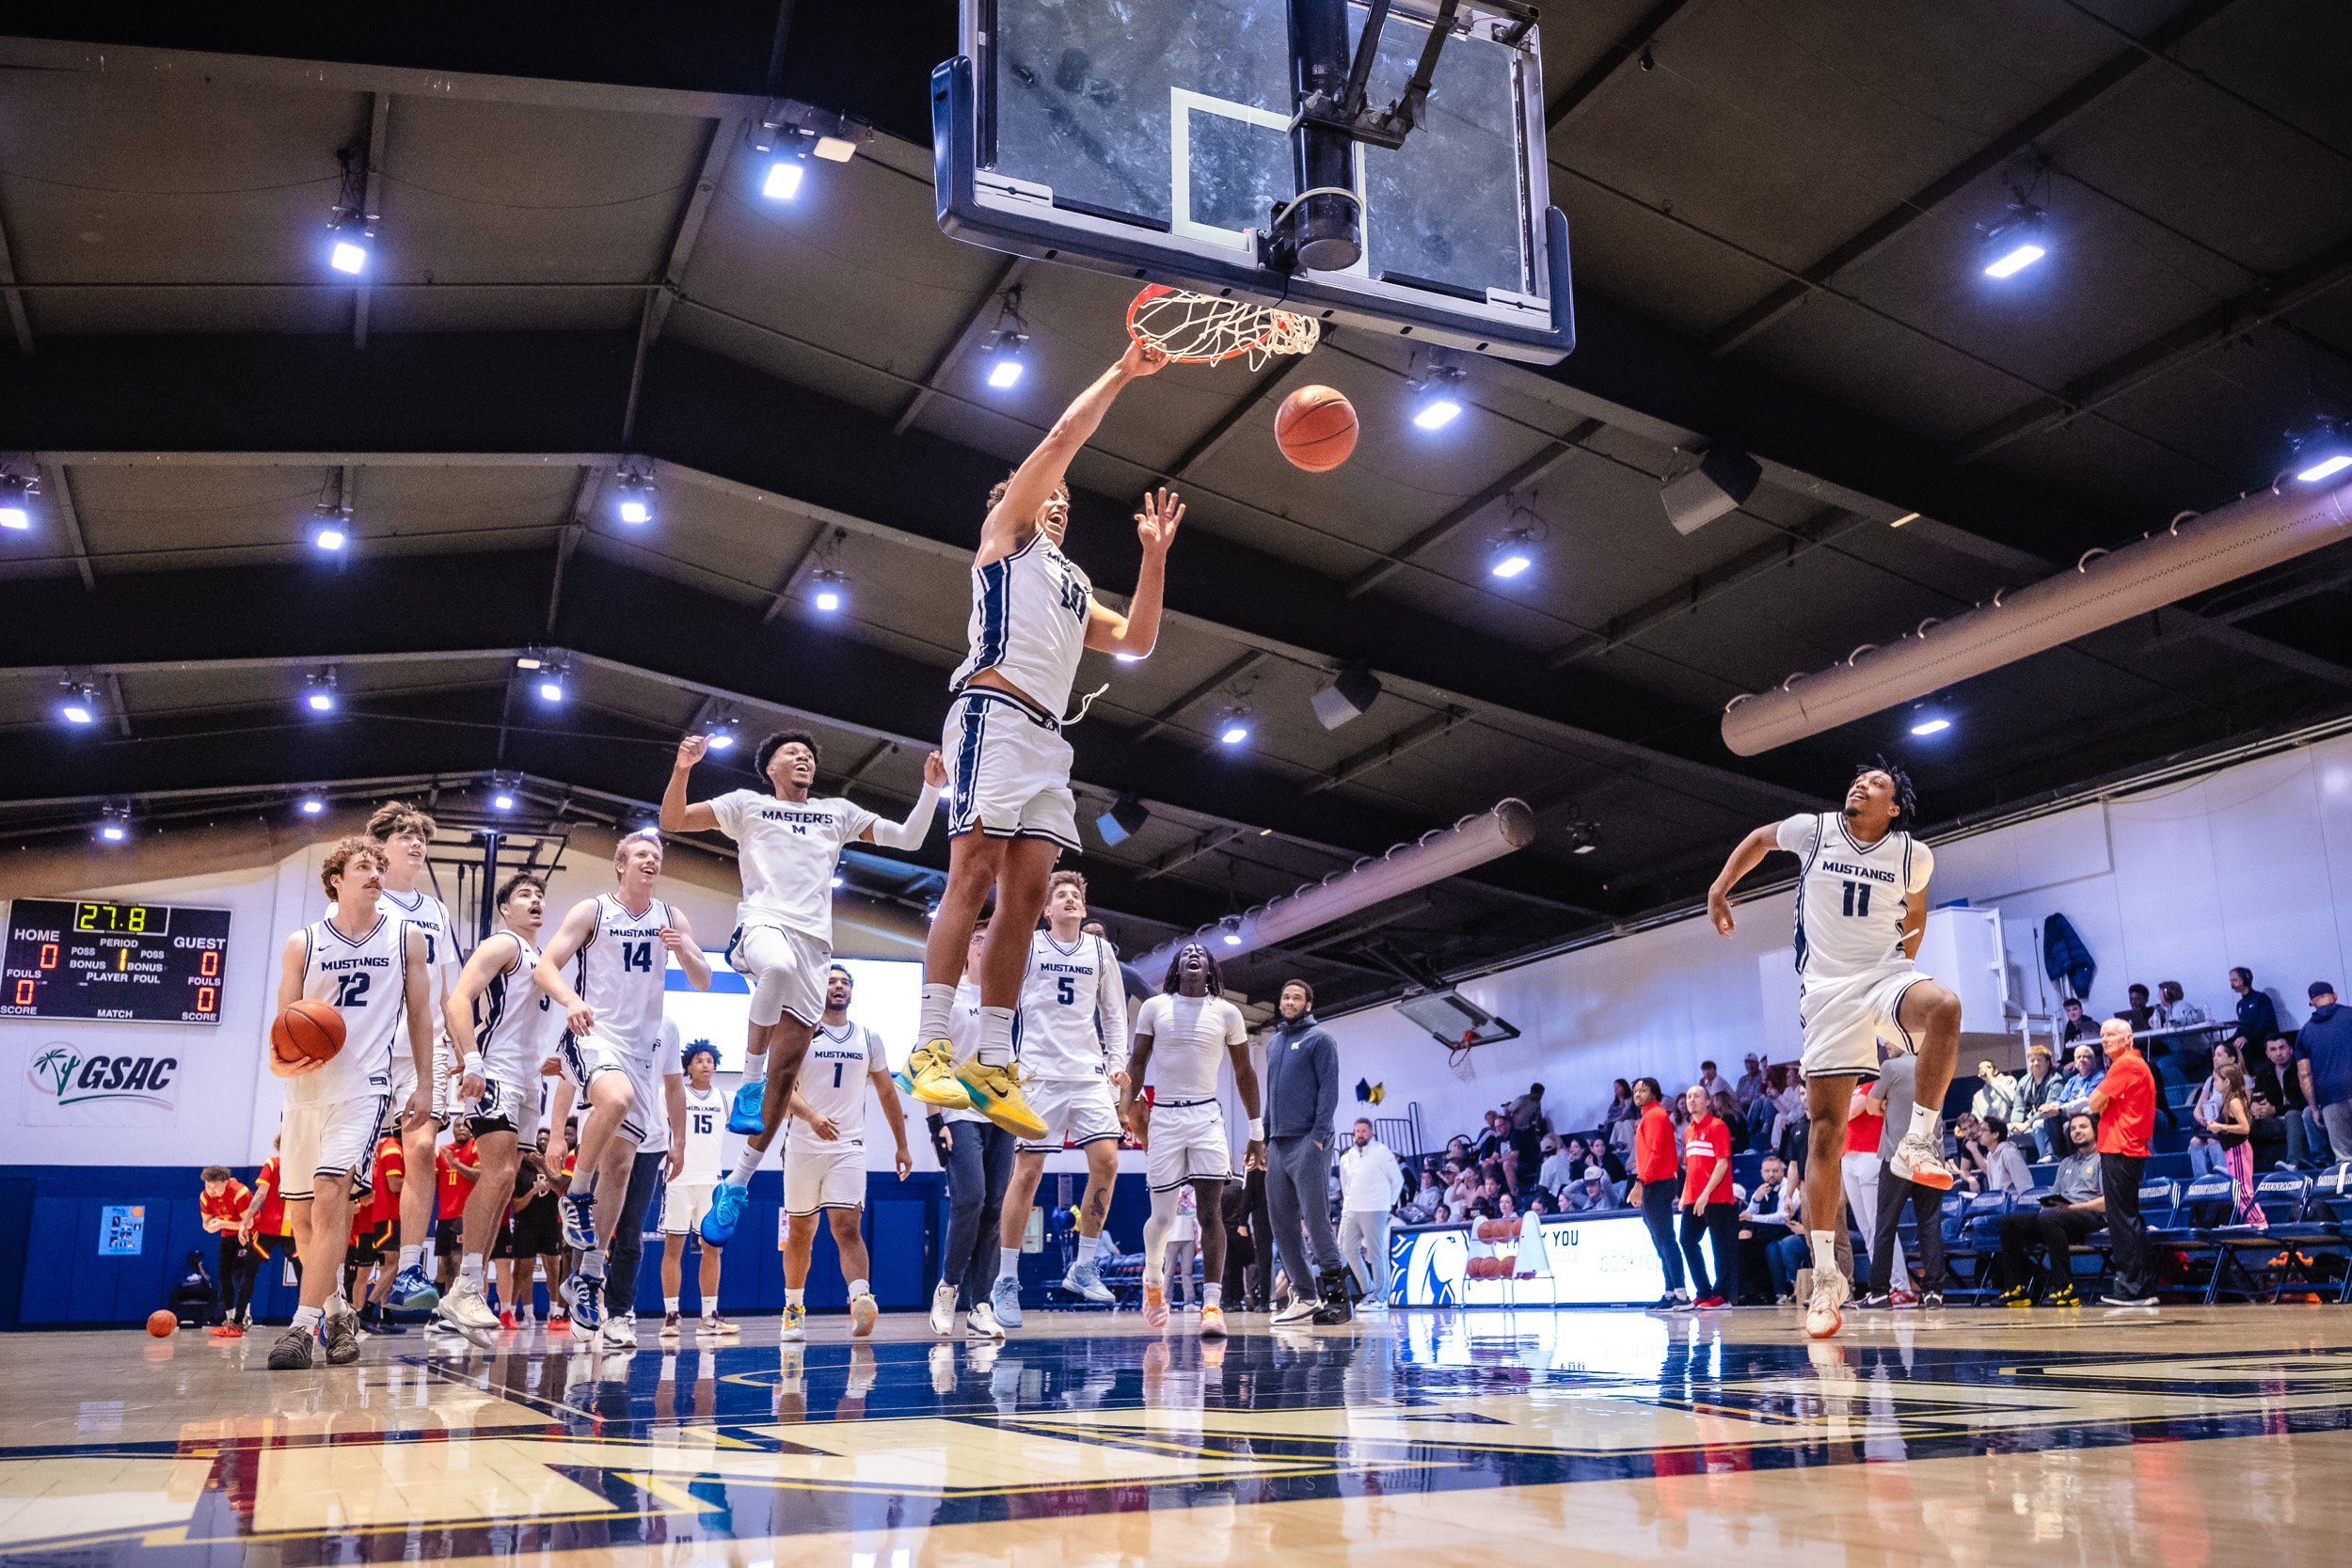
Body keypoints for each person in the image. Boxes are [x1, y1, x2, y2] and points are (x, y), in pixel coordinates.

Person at [899, 339, 1178, 1147]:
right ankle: (930, 1049)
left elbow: (1137, 642)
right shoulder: (1007, 535)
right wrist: (1123, 370)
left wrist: (1153, 558)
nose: (1059, 503)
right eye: (1049, 493)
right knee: (973, 870)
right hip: (991, 712)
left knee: (1023, 897)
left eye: (1065, 502)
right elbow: (1061, 437)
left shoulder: (1074, 582)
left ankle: (993, 1064)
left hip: (1047, 742)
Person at [1707, 758, 1961, 1338]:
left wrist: (1902, 976)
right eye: (1857, 778)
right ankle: (1827, 1281)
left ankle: (1919, 1142)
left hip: (1885, 974)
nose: (1859, 784)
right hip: (1826, 992)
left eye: (1875, 783)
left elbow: (1916, 914)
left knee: (1944, 1005)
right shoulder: (1814, 829)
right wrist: (1720, 889)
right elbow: (1758, 840)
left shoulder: (1913, 854)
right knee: (1826, 1133)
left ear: (1893, 807)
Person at [662, 732, 940, 1236]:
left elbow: (908, 839)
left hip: (816, 947)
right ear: (770, 768)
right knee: (777, 967)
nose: (803, 758)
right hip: (763, 925)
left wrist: (930, 789)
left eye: (809, 754)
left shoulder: (837, 812)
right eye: (792, 753)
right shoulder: (745, 805)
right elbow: (673, 821)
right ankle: (749, 1082)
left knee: (787, 1071)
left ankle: (737, 1184)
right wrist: (683, 768)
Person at [265, 836, 435, 1370]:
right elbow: (283, 1029)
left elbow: (421, 1015)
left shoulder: (406, 937)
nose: (376, 873)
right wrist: (280, 1062)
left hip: (365, 1087)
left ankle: (301, 1327)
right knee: (303, 1215)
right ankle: (338, 1310)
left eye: (380, 866)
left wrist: (426, 1084)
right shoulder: (303, 942)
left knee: (330, 1191)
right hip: (305, 1092)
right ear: (336, 879)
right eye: (364, 865)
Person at [535, 830, 711, 1342]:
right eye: (640, 854)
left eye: (657, 855)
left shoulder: (671, 917)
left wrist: (685, 951)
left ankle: (588, 1277)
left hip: (639, 1049)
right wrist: (570, 1001)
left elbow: (702, 979)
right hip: (593, 1032)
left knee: (620, 1167)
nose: (651, 860)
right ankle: (576, 1194)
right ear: (621, 865)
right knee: (616, 1098)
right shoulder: (593, 910)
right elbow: (546, 966)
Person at [981, 870, 1130, 1326]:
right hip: (1038, 1072)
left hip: (1087, 1073)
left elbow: (1114, 1012)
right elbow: (1002, 1001)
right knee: (1027, 1172)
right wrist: (1001, 1059)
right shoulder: (1029, 945)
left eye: (1075, 896)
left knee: (1108, 1161)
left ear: (1083, 909)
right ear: (1046, 909)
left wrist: (1117, 1064)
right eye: (1060, 895)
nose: (1069, 899)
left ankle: (1083, 1266)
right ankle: (1006, 1279)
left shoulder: (1100, 951)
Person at [354, 801, 465, 1321]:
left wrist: (466, 1050)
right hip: (368, 1046)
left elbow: (449, 988)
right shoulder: (362, 900)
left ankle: (411, 1270)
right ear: (380, 846)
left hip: (425, 1046)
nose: (416, 842)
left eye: (421, 836)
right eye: (404, 834)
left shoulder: (436, 911)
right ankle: (331, 1295)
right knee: (348, 1173)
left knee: (421, 1149)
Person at [1120, 942, 1262, 1338]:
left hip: (1206, 1117)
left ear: (1210, 967)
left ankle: (1212, 1307)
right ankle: (1153, 1280)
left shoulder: (1227, 1012)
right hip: (1164, 1116)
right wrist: (1123, 1110)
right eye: (1185, 953)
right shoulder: (1155, 1007)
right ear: (1177, 967)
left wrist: (1256, 1132)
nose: (1193, 955)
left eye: (1200, 952)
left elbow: (1244, 1072)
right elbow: (1137, 1061)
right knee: (1163, 1218)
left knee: (1209, 1215)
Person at [431, 871, 548, 1339]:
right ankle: (465, 1286)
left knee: (506, 1182)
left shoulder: (542, 956)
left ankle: (459, 1300)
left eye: (540, 895)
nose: (536, 901)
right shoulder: (503, 944)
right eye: (525, 895)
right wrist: (472, 1058)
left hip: (529, 1077)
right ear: (505, 909)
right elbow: (459, 999)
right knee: (497, 1173)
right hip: (496, 1069)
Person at [776, 966, 914, 1341]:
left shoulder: (869, 1039)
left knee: (847, 1226)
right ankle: (793, 1309)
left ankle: (860, 1300)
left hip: (848, 1146)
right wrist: (812, 1116)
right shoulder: (800, 1033)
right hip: (802, 1145)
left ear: (852, 991)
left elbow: (887, 1093)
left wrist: (902, 1144)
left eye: (845, 982)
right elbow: (780, 1089)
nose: (838, 986)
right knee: (801, 1233)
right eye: (831, 981)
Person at [930, 929, 1013, 1338]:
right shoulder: (951, 998)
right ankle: (948, 1287)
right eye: (978, 938)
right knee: (971, 1200)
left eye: (991, 938)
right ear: (965, 949)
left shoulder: (1009, 997)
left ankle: (981, 1304)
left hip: (1003, 1114)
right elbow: (931, 1061)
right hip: (959, 1111)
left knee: (995, 1208)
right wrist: (935, 1123)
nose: (985, 944)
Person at [1262, 979, 1347, 1326]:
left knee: (1316, 1220)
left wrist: (1319, 1136)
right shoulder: (1273, 1043)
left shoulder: (1320, 1040)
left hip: (1308, 1142)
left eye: (1297, 997)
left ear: (1308, 1005)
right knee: (1281, 1224)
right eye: (1285, 996)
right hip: (1277, 1144)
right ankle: (1306, 1296)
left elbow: (1329, 1091)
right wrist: (1263, 1138)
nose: (1289, 1001)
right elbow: (1271, 1095)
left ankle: (1339, 1301)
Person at [659, 1040, 734, 1338]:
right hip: (678, 1178)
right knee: (673, 1247)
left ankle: (709, 1316)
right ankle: (671, 1315)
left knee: (712, 1248)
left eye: (710, 1060)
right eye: (699, 1060)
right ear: (688, 1066)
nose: (705, 1064)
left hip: (711, 1181)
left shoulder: (725, 1098)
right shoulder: (672, 1094)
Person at [1993, 1113, 2105, 1306]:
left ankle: (2065, 1288)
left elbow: (2106, 1202)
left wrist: (2071, 1208)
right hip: (2061, 1217)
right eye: (2073, 1128)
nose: (2077, 1131)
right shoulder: (2066, 1162)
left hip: (2091, 1215)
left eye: (2083, 1127)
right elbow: (2055, 1194)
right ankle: (2017, 1288)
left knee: (2051, 1219)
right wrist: (2048, 1205)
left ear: (2095, 1131)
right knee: (2009, 1222)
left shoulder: (2103, 1159)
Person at [1863, 1047, 1946, 1307]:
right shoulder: (1937, 1065)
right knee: (1930, 1224)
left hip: (1898, 1157)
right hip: (1931, 1156)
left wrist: (1888, 1106)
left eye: (1890, 1037)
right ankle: (1934, 1292)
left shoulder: (1890, 1067)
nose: (1886, 1044)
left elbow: (1870, 1107)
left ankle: (1879, 1292)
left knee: (1885, 1226)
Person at [2088, 1018, 2158, 1307]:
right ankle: (2138, 1286)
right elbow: (2099, 1102)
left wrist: (2102, 1101)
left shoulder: (2126, 1064)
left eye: (2112, 1035)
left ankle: (2134, 1288)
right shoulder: (2131, 1065)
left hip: (2121, 1147)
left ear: (2128, 1038)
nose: (2105, 1039)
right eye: (2103, 1035)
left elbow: (2094, 1102)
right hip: (2126, 1148)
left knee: (2122, 1220)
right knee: (2126, 1217)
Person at [1676, 1085, 1736, 1308]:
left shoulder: (1717, 1126)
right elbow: (1690, 1167)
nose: (1691, 1100)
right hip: (1693, 1198)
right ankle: (1704, 1291)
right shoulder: (1688, 1131)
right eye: (1689, 1096)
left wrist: (1705, 1193)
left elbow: (1722, 1163)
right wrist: (1685, 1194)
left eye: (1697, 1096)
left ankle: (1722, 1295)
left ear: (1708, 1101)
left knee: (1719, 1245)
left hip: (1717, 1197)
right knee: (1687, 1240)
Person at [1630, 1077, 1686, 1310]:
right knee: (1660, 1241)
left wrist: (1640, 1181)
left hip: (1657, 1181)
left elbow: (1655, 1152)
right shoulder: (1649, 1116)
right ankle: (1671, 1292)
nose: (1638, 1094)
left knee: (1665, 1240)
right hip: (1655, 1181)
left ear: (1654, 1093)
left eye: (1643, 1090)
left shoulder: (1655, 1116)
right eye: (1635, 1091)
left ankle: (1681, 1294)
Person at [1337, 1117, 1404, 1309]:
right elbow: (1346, 1187)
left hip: (1375, 1208)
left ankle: (1380, 1297)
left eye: (1364, 1130)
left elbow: (1397, 1180)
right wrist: (1346, 1210)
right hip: (1353, 1209)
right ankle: (1368, 1290)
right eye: (1357, 1131)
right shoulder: (1348, 1157)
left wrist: (1388, 1204)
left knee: (1376, 1253)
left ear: (1372, 1132)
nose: (1360, 1134)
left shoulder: (1381, 1152)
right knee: (1348, 1249)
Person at [199, 1165, 258, 1336]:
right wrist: (210, 1227)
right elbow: (206, 1223)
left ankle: (245, 1316)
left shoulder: (240, 1193)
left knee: (241, 1276)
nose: (211, 1191)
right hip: (227, 1236)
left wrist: (222, 1224)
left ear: (225, 1182)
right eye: (208, 1186)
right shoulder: (204, 1197)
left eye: (215, 1187)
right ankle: (230, 1318)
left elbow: (249, 1223)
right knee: (224, 1276)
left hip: (247, 1233)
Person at [2210, 1051, 2263, 1227]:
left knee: (2244, 1191)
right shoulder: (2229, 1101)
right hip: (2232, 1151)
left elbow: (2245, 1128)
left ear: (2227, 1082)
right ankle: (2250, 1221)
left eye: (2216, 1080)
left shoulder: (2234, 1102)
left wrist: (2221, 1127)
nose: (2214, 1083)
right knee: (2239, 1190)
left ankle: (2260, 1223)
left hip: (2238, 1150)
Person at [2252, 1034, 2319, 1169]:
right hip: (2274, 1120)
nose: (2278, 1053)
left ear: (2291, 1049)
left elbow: (2305, 1102)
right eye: (2273, 1049)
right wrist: (2255, 1108)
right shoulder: (2264, 1073)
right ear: (2267, 1054)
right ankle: (2240, 1167)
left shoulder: (2301, 1069)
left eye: (2282, 1048)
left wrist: (2275, 1109)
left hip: (2300, 1117)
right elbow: (2258, 1096)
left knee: (2292, 1115)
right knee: (2244, 1121)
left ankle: (2294, 1164)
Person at [1740, 1156, 1803, 1302]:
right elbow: (1747, 1214)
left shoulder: (1788, 1189)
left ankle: (1783, 1291)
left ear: (1783, 1171)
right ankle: (1753, 1292)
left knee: (1772, 1248)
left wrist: (1753, 1218)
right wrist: (1756, 1199)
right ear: (1761, 1173)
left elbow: (1782, 1218)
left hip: (1788, 1230)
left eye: (1775, 1171)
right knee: (1745, 1245)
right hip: (1769, 1233)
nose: (1771, 1174)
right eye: (1767, 1171)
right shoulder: (1762, 1189)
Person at [2305, 981, 2352, 1164]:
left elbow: (2305, 1075)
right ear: (2335, 995)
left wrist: (2314, 1108)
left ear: (2312, 1002)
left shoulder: (2305, 1032)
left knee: (2345, 1159)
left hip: (2330, 1099)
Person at [431, 1136, 478, 1294]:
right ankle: (448, 1301)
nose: (461, 1128)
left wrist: (456, 1164)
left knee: (458, 1260)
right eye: (457, 1125)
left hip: (464, 1214)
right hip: (444, 1215)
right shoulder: (443, 1151)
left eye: (464, 1125)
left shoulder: (475, 1147)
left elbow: (479, 1175)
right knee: (446, 1264)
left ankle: (460, 1299)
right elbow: (433, 1180)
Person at [2185, 1041, 2235, 1179]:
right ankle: (2201, 1181)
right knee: (2195, 1142)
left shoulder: (2238, 1079)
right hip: (2211, 1126)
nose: (2215, 1059)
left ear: (2231, 1059)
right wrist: (2201, 1118)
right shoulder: (2211, 1080)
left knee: (2213, 1140)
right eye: (2214, 1056)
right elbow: (2197, 1109)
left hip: (2228, 1124)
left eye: (2219, 1055)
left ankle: (2224, 1178)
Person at [2019, 1045, 2065, 1160]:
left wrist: (2027, 1124)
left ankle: (2046, 1158)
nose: (2035, 1063)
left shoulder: (2056, 1080)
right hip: (2030, 1118)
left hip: (2052, 1118)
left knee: (2037, 1124)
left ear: (2048, 1063)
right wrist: (2016, 1123)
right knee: (2008, 1129)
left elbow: (2047, 1110)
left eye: (2039, 1060)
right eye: (2032, 1060)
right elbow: (2017, 1107)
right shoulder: (2024, 1081)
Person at [2228, 966, 2280, 1060]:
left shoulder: (2261, 998)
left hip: (2260, 1040)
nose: (2231, 984)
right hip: (2248, 1039)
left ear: (2242, 980)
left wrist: (2247, 1038)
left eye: (2234, 980)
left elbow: (2266, 1024)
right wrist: (2227, 1042)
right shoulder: (2240, 1005)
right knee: (2219, 1048)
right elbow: (2241, 1028)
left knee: (2243, 1049)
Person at [1974, 1117, 2032, 1194]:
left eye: (1983, 1130)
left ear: (1995, 1134)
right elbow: (1993, 1190)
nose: (1979, 1134)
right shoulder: (1990, 1156)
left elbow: (2025, 1187)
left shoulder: (2009, 1153)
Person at [1165, 1187, 1200, 1309]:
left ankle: (1189, 1302)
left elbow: (1195, 1213)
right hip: (1171, 1238)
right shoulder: (1169, 1190)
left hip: (1188, 1237)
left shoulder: (1192, 1191)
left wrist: (1198, 1236)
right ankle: (1166, 1301)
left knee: (1187, 1272)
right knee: (1169, 1271)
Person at [1969, 1058, 2023, 1125]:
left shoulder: (2008, 1081)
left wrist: (1991, 1079)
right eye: (1981, 1068)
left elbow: (2012, 1098)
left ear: (1995, 1071)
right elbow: (1975, 1119)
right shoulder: (1977, 1096)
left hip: (2008, 1126)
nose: (1984, 1070)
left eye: (1988, 1067)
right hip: (1989, 1129)